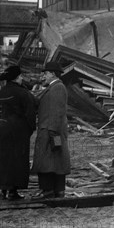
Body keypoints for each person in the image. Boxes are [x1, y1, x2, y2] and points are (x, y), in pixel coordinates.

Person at [31, 62, 70, 199]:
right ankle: (57, 190)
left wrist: (52, 132)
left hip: (50, 130)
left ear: (52, 74)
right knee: (55, 162)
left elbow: (57, 111)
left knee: (47, 162)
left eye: (45, 73)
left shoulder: (57, 88)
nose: (44, 76)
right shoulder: (53, 87)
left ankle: (48, 190)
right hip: (50, 129)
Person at [0, 65, 36, 200]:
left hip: (2, 129)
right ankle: (13, 192)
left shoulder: (2, 91)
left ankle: (3, 189)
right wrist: (29, 129)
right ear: (16, 78)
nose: (22, 78)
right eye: (20, 76)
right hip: (18, 131)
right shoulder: (23, 93)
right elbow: (30, 113)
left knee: (3, 159)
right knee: (17, 161)